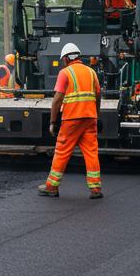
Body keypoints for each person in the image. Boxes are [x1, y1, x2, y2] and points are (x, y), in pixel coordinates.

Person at [39, 43, 102, 199]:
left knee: (62, 151)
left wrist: (53, 122)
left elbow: (57, 100)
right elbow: (98, 96)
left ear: (66, 58)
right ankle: (96, 189)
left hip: (72, 119)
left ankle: (51, 187)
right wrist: (96, 114)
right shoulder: (91, 72)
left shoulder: (65, 73)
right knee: (91, 152)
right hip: (90, 118)